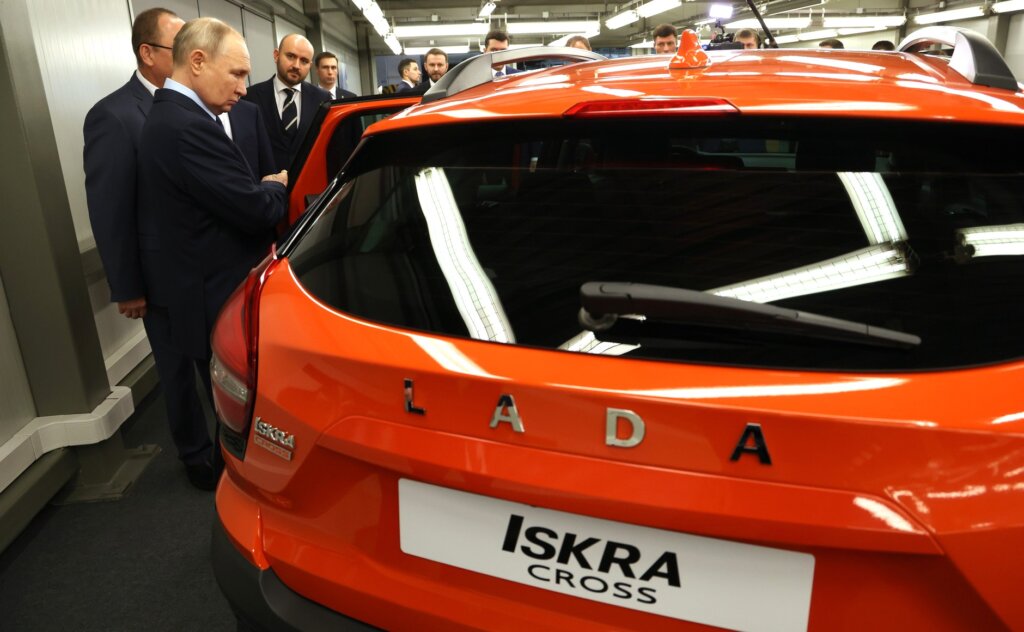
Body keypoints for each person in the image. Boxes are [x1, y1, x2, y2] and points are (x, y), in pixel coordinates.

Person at [83, 8, 230, 490]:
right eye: (178, 45)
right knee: (177, 373)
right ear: (148, 53)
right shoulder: (114, 116)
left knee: (218, 366)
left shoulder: (196, 106)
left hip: (204, 269)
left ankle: (230, 450)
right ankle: (196, 457)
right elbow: (111, 209)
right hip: (160, 278)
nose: (191, 54)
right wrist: (127, 286)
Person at [138, 17, 287, 486]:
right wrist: (275, 186)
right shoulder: (188, 127)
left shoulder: (174, 117)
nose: (243, 88)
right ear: (198, 61)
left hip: (207, 286)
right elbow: (256, 210)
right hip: (217, 294)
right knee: (241, 423)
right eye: (237, 73)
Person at [242, 33, 331, 171]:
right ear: (276, 55)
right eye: (290, 56)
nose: (296, 65)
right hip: (265, 182)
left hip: (310, 182)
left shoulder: (323, 99)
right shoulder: (250, 97)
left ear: (310, 65)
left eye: (304, 61)